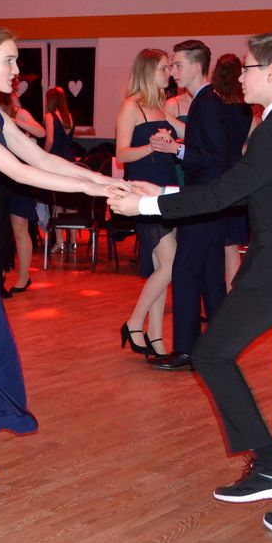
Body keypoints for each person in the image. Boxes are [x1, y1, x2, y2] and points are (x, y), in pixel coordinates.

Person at [110, 30, 272, 543]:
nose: (240, 75)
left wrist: (147, 205)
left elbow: (225, 192)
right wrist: (164, 189)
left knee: (212, 354)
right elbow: (243, 190)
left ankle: (270, 464)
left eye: (248, 66)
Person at [0, 28, 127, 490]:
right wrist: (92, 189)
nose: (17, 71)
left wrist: (102, 182)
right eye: (10, 61)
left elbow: (39, 156)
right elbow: (17, 171)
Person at [148, 39, 231, 371]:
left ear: (197, 66)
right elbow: (213, 151)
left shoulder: (207, 103)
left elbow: (216, 157)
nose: (173, 71)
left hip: (204, 197)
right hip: (211, 198)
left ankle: (186, 349)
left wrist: (176, 150)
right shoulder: (208, 100)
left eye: (178, 65)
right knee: (210, 273)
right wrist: (181, 145)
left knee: (184, 269)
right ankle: (217, 348)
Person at [114, 49, 183, 357]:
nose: (169, 73)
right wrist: (151, 147)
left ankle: (156, 336)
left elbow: (188, 132)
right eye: (163, 68)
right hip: (143, 192)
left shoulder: (160, 107)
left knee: (161, 267)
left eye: (170, 67)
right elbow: (121, 154)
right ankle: (134, 322)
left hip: (166, 188)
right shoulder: (131, 106)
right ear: (147, 71)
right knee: (170, 264)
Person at [211, 54, 257, 290]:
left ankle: (214, 294)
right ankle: (232, 295)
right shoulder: (246, 110)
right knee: (231, 246)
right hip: (237, 173)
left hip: (215, 171)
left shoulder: (213, 106)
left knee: (212, 242)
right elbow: (251, 145)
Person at [0, 89, 45, 294]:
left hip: (20, 177)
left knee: (20, 227)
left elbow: (41, 132)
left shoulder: (19, 113)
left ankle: (23, 277)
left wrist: (13, 121)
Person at [43, 86, 75, 161]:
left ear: (50, 101)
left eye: (47, 100)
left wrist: (43, 155)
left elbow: (50, 141)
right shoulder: (69, 116)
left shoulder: (49, 116)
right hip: (69, 157)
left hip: (56, 158)